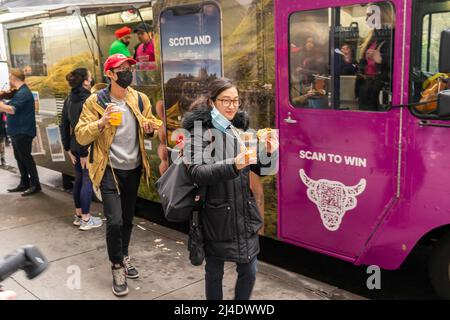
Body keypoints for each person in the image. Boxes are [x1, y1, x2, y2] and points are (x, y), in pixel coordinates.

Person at [182, 78, 279, 300]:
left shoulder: (241, 130)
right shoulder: (198, 132)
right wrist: (233, 165)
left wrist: (269, 153)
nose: (231, 105)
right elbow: (196, 172)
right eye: (225, 100)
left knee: (250, 271)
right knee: (214, 272)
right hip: (216, 215)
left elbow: (260, 168)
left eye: (235, 100)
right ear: (211, 102)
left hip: (244, 214)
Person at [75, 54, 161, 297]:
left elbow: (151, 123)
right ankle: (117, 266)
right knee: (114, 221)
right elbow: (81, 135)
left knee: (127, 219)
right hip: (108, 168)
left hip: (133, 168)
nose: (126, 72)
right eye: (120, 69)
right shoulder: (95, 102)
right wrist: (101, 122)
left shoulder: (139, 98)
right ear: (110, 74)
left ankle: (124, 255)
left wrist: (150, 129)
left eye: (128, 68)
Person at [59, 68, 103, 231]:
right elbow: (89, 128)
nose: (91, 79)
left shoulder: (68, 99)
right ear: (85, 81)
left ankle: (79, 216)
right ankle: (86, 219)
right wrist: (85, 151)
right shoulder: (91, 100)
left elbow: (63, 125)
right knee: (86, 180)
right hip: (86, 147)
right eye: (90, 77)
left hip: (74, 146)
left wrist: (67, 148)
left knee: (78, 179)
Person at [0, 69, 41, 196]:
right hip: (16, 130)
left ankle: (35, 184)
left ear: (14, 78)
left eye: (10, 78)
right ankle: (24, 182)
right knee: (19, 157)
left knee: (26, 157)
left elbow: (12, 109)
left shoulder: (23, 93)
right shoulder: (18, 92)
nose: (9, 81)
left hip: (23, 131)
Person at [356, 3, 394, 111]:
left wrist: (381, 60)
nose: (366, 19)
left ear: (381, 15)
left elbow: (402, 65)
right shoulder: (373, 36)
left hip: (381, 91)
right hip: (366, 88)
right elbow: (363, 65)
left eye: (369, 15)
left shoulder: (394, 35)